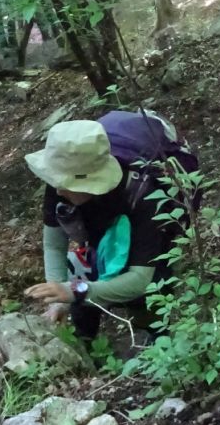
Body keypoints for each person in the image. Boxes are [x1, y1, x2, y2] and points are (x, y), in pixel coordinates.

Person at [23, 117, 186, 340]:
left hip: (144, 243)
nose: (57, 190)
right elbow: (53, 244)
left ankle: (159, 340)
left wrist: (75, 291)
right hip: (103, 230)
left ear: (89, 180)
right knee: (79, 269)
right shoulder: (61, 179)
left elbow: (140, 279)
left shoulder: (145, 196)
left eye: (65, 184)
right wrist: (60, 297)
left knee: (152, 288)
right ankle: (86, 340)